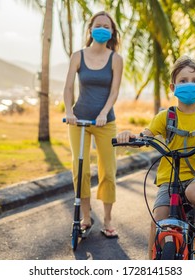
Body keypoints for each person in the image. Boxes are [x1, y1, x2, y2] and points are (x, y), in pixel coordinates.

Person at [115, 55, 195, 258]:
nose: (189, 85)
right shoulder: (165, 117)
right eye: (183, 81)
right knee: (158, 221)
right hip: (169, 179)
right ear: (173, 87)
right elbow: (144, 135)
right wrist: (130, 136)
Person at [63, 11, 123, 238]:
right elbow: (68, 87)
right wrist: (69, 112)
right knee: (81, 171)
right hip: (78, 121)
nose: (102, 29)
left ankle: (107, 220)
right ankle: (86, 218)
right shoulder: (77, 56)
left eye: (106, 26)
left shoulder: (115, 59)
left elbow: (114, 91)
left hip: (105, 122)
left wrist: (103, 113)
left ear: (112, 32)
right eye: (98, 25)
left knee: (108, 171)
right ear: (90, 29)